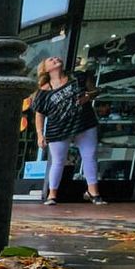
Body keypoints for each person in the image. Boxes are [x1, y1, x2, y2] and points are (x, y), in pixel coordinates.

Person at [33, 56, 106, 205]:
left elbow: (96, 90)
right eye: (50, 60)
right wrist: (40, 134)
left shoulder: (77, 77)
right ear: (45, 69)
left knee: (89, 155)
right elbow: (39, 114)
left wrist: (88, 96)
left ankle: (93, 192)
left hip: (83, 122)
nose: (55, 59)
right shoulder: (44, 91)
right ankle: (52, 194)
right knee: (58, 161)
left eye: (56, 58)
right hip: (58, 128)